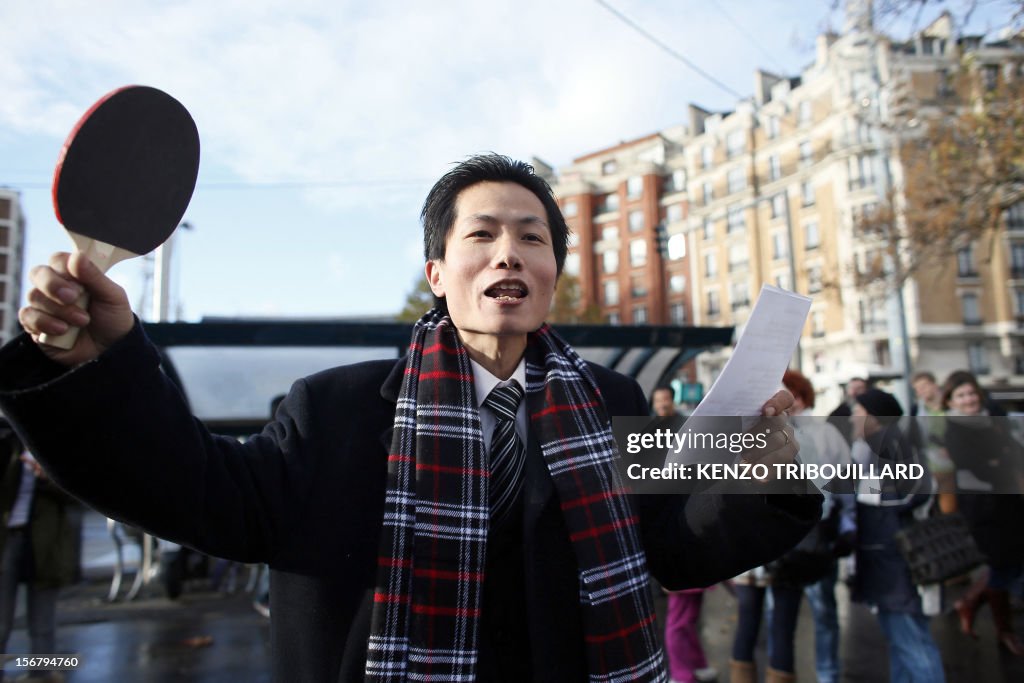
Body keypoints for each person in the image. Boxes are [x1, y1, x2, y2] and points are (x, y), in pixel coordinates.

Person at [2, 154, 821, 683]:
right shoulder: (339, 410)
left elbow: (677, 547)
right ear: (438, 270)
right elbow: (193, 487)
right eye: (484, 233)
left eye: (532, 237)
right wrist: (92, 363)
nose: (509, 253)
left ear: (552, 273)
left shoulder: (615, 402)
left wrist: (762, 468)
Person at [850, 389, 944, 683]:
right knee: (901, 642)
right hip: (888, 559)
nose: (853, 416)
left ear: (874, 415)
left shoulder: (889, 443)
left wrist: (866, 494)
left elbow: (919, 488)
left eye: (859, 410)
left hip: (894, 561)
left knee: (912, 643)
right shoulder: (877, 444)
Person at [941, 370, 1024, 656]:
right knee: (1002, 563)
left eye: (972, 393)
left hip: (1008, 501)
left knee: (1007, 563)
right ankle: (1004, 630)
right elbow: (973, 463)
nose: (969, 399)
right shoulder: (954, 427)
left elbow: (1012, 452)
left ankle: (972, 602)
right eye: (961, 395)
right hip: (982, 507)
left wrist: (997, 459)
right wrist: (998, 460)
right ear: (951, 400)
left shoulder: (993, 419)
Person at [784, 370, 855, 683]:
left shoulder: (825, 433)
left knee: (823, 609)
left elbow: (846, 483)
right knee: (780, 614)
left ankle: (828, 674)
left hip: (818, 533)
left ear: (801, 398)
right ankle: (783, 672)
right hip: (780, 537)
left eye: (792, 395)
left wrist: (848, 526)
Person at [651, 387, 717, 683]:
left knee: (686, 617)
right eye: (659, 403)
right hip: (679, 544)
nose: (663, 406)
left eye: (666, 401)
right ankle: (682, 672)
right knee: (680, 619)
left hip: (692, 540)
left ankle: (693, 666)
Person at [0, 434, 76, 683]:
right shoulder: (9, 443)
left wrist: (46, 477)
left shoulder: (55, 447)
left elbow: (78, 493)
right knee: (2, 620)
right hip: (8, 538)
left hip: (46, 541)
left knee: (43, 619)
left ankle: (42, 673)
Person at [909, 371, 956, 513]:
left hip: (953, 464)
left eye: (924, 386)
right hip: (929, 465)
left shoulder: (951, 406)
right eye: (917, 389)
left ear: (934, 385)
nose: (921, 391)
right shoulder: (917, 410)